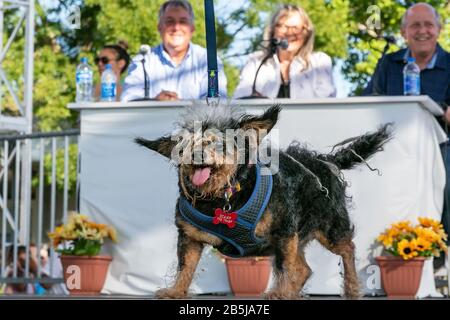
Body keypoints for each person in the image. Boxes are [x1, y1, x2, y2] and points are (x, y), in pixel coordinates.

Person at [363, 3, 450, 259]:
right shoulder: (389, 63)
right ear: (404, 32)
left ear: (439, 30)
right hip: (393, 149)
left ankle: (440, 261)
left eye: (428, 25)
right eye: (415, 25)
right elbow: (369, 102)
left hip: (441, 147)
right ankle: (383, 256)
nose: (422, 31)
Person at [121, 0, 227, 102]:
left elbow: (217, 102)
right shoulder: (142, 60)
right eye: (169, 21)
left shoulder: (208, 60)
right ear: (159, 27)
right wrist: (154, 102)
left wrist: (179, 107)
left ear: (192, 28)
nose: (176, 27)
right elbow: (129, 98)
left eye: (183, 22)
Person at [233, 4, 336, 99]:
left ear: (306, 33)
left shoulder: (319, 62)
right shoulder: (256, 61)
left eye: (296, 28)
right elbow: (240, 100)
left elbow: (326, 102)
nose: (289, 33)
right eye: (283, 26)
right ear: (273, 30)